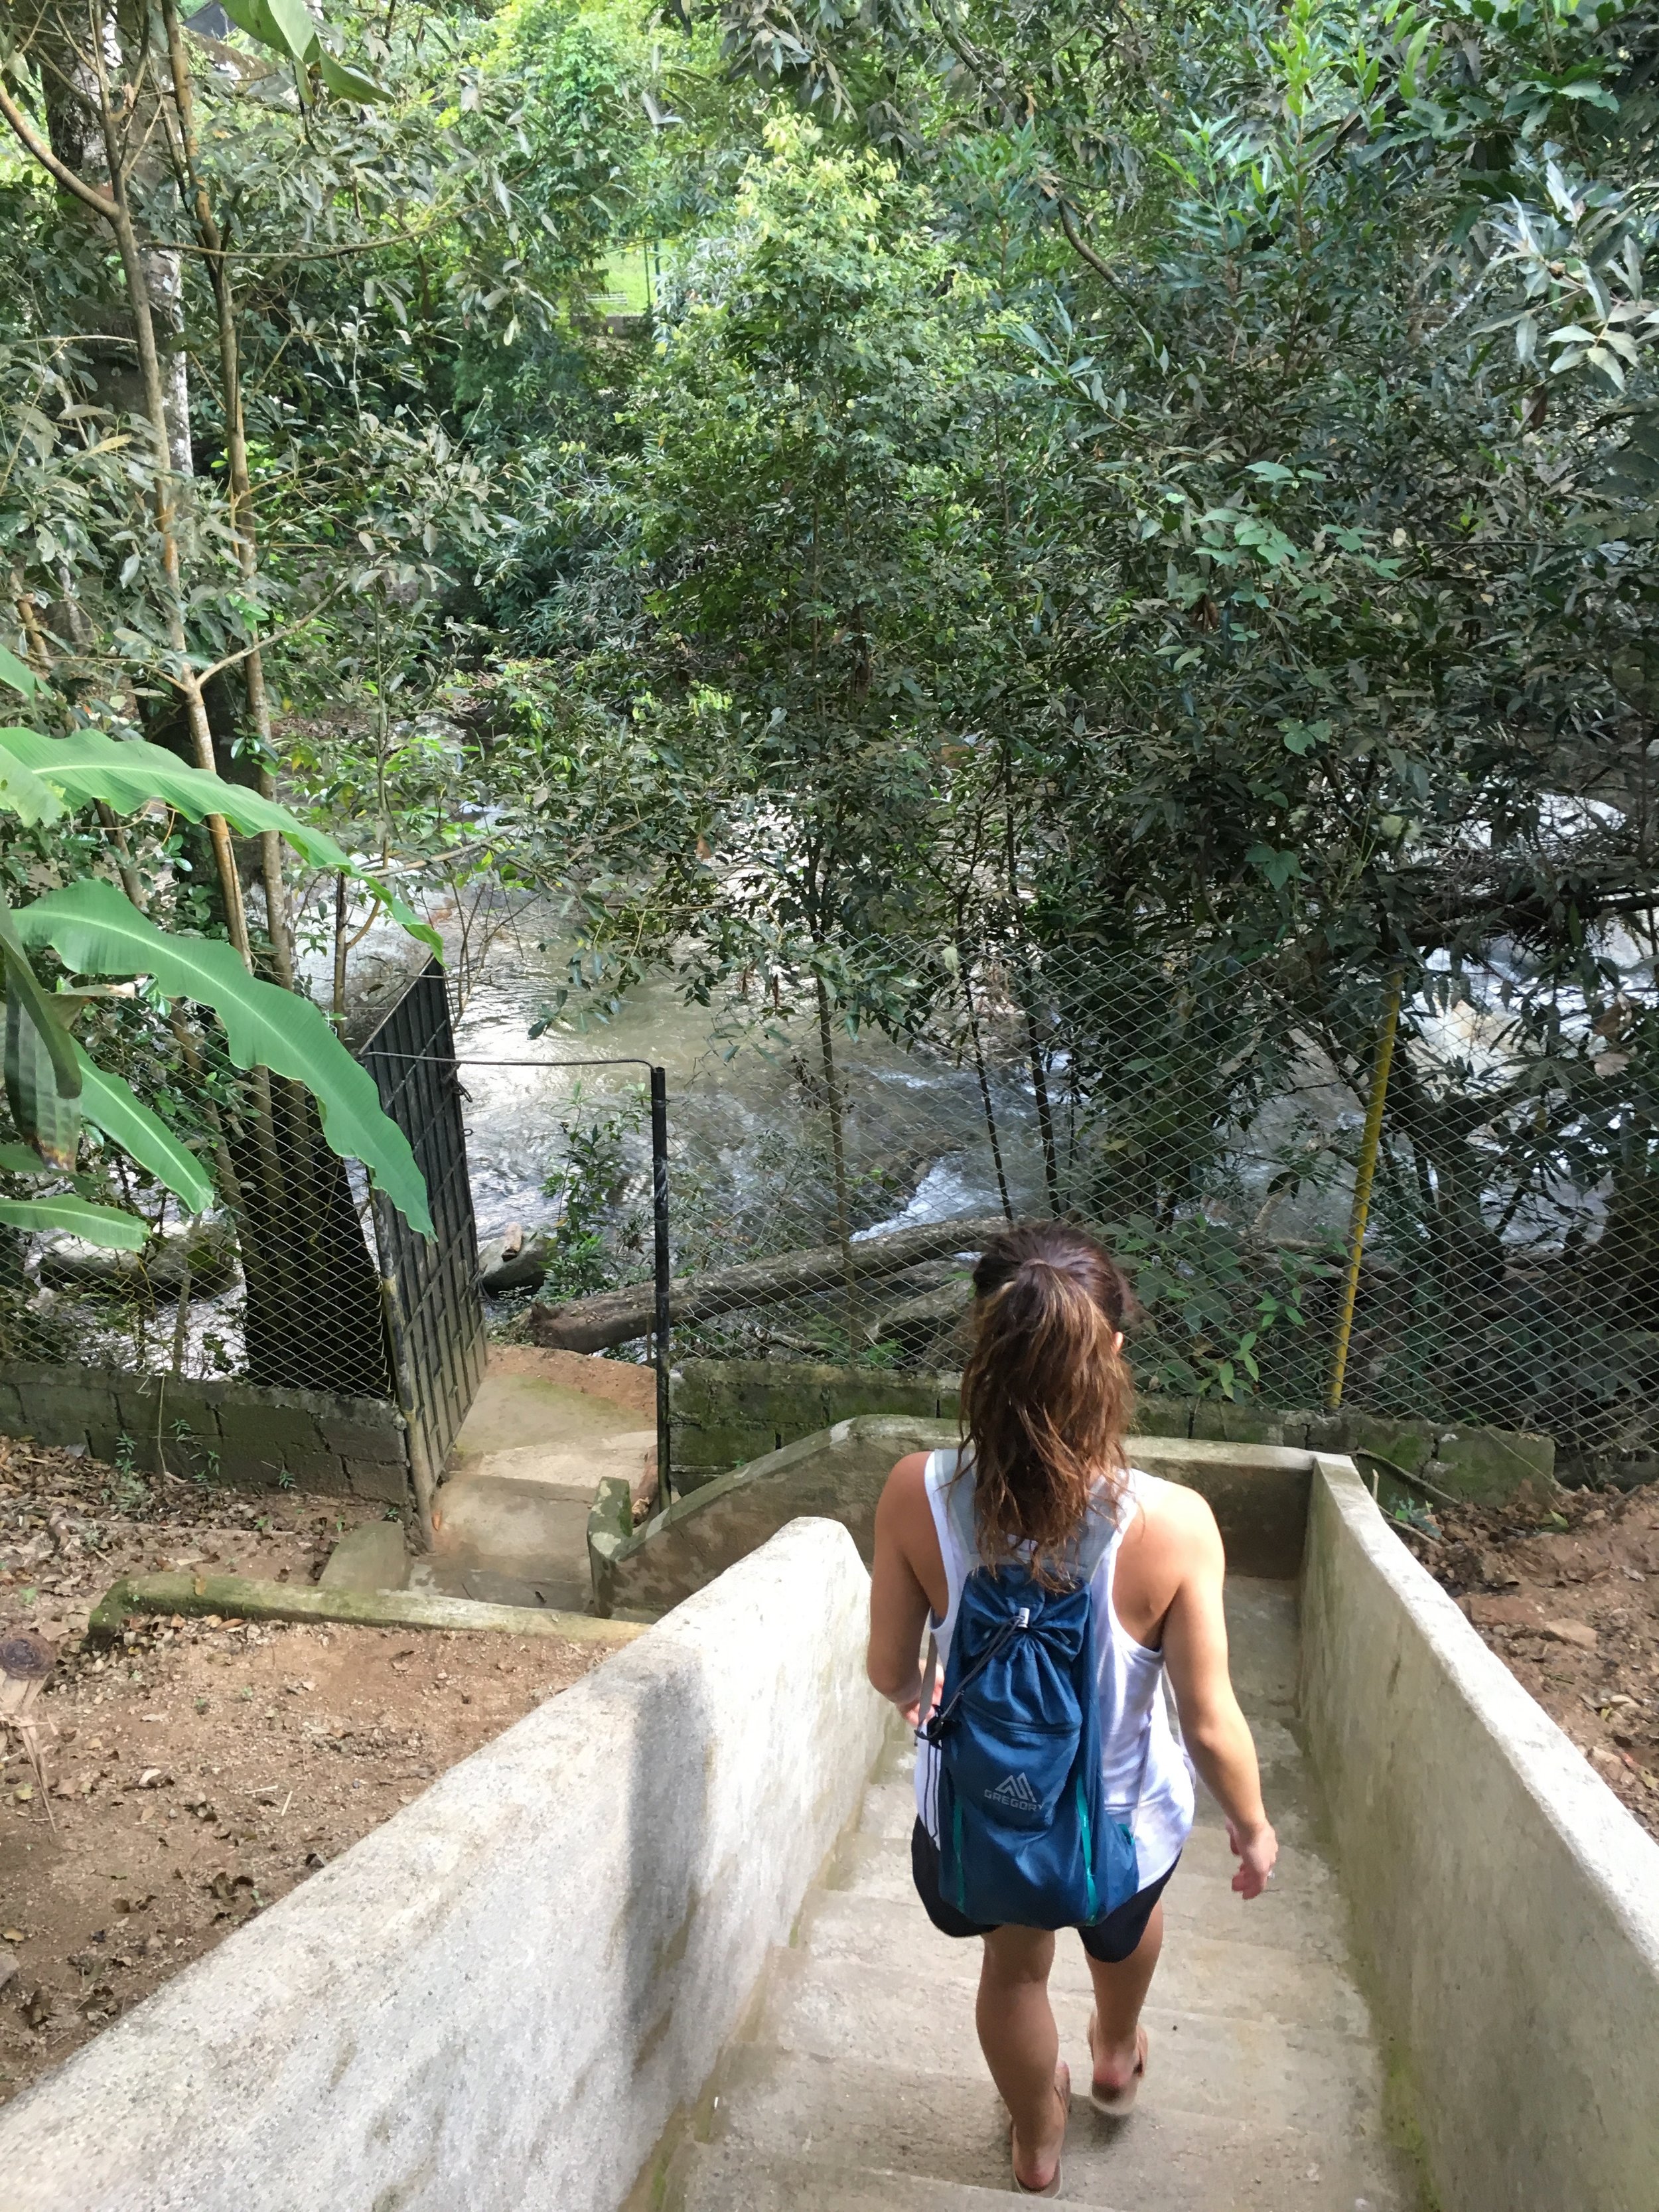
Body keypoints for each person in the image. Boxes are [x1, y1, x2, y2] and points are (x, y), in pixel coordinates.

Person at [865, 1222, 1279, 2195]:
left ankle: (1037, 2138)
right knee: (1123, 1925)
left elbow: (889, 1667)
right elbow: (1210, 1720)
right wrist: (1254, 1829)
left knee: (1013, 1971)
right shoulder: (1174, 1524)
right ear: (1115, 1356)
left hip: (981, 1820)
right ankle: (1114, 2047)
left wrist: (925, 1700)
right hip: (1124, 1826)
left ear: (983, 1351)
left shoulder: (913, 1492)